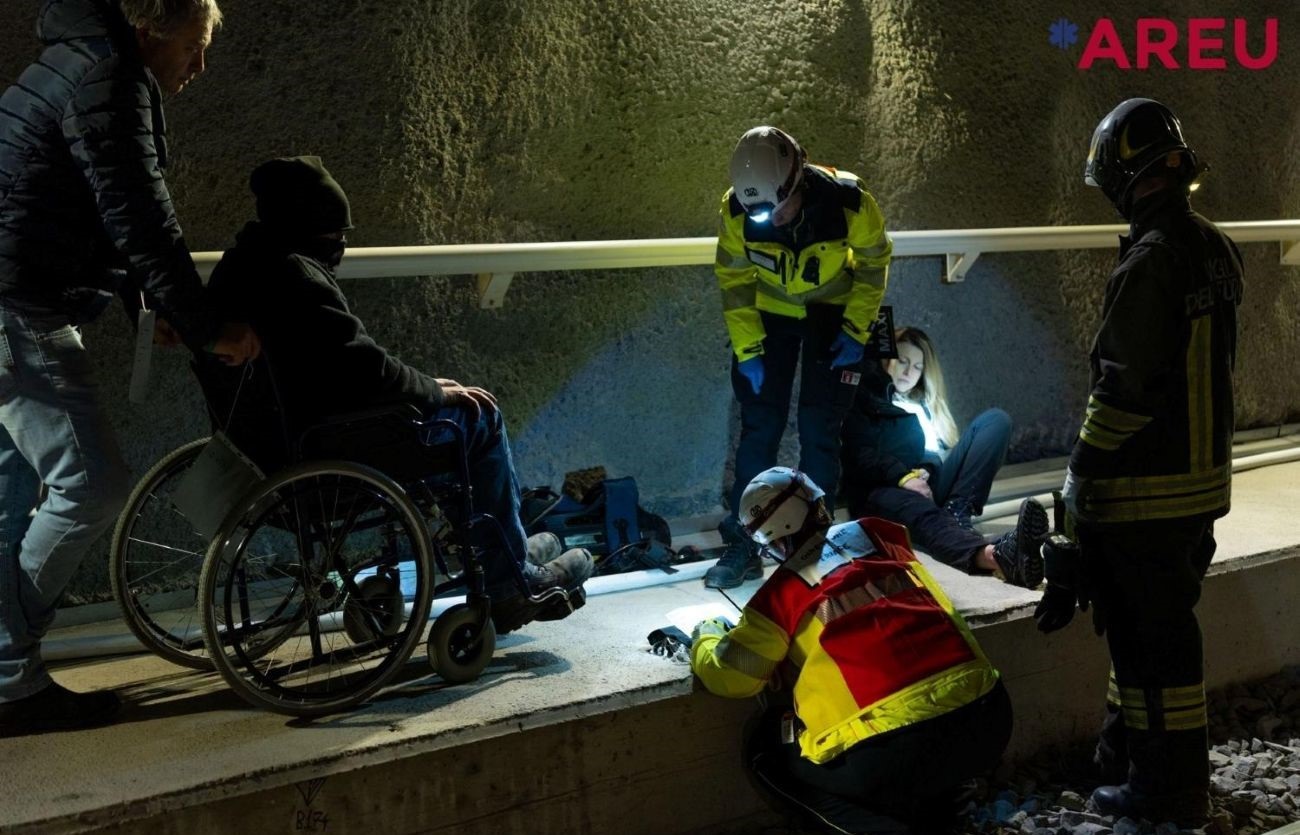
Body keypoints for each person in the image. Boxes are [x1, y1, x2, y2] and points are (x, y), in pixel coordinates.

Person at [0, 0, 259, 737]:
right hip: (18, 308)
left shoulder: (78, 58)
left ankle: (9, 675)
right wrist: (209, 328)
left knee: (11, 501)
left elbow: (92, 207)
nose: (199, 66)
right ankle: (8, 671)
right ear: (151, 30)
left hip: (13, 299)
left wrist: (152, 302)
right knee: (93, 484)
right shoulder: (109, 77)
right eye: (194, 46)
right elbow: (139, 215)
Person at [202, 155, 592, 637]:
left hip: (268, 453)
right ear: (307, 226)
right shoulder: (296, 276)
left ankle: (503, 549)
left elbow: (345, 366)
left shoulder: (237, 266)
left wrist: (429, 387)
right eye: (335, 233)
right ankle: (508, 580)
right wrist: (435, 392)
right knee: (480, 419)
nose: (342, 244)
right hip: (327, 450)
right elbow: (365, 367)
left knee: (449, 413)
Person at [1033, 98, 1243, 828]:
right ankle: (1121, 756)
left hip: (1146, 492)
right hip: (1199, 486)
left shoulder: (1151, 261)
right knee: (1145, 636)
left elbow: (1122, 390)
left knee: (1155, 654)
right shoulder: (1213, 245)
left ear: (1126, 178)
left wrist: (1078, 477)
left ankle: (1166, 790)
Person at [691, 467, 1012, 834]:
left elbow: (732, 677)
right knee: (926, 756)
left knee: (767, 748)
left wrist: (706, 634)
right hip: (989, 720)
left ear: (771, 538)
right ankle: (942, 815)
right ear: (819, 505)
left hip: (892, 750)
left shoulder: (780, 595)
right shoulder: (881, 536)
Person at [706, 126, 892, 590]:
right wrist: (748, 349)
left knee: (819, 429)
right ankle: (745, 543)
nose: (769, 220)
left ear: (797, 182)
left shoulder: (849, 201)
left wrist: (855, 330)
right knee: (759, 428)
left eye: (778, 208)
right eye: (760, 213)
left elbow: (874, 262)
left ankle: (813, 546)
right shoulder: (738, 209)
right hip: (772, 315)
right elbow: (734, 280)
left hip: (833, 313)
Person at [841, 327, 1046, 587]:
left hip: (928, 483)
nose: (908, 372)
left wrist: (927, 467)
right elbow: (859, 453)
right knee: (925, 516)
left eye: (917, 366)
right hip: (886, 489)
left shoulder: (924, 406)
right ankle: (995, 556)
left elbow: (934, 453)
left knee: (995, 420)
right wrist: (903, 477)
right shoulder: (865, 398)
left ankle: (957, 511)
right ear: (886, 360)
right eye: (902, 361)